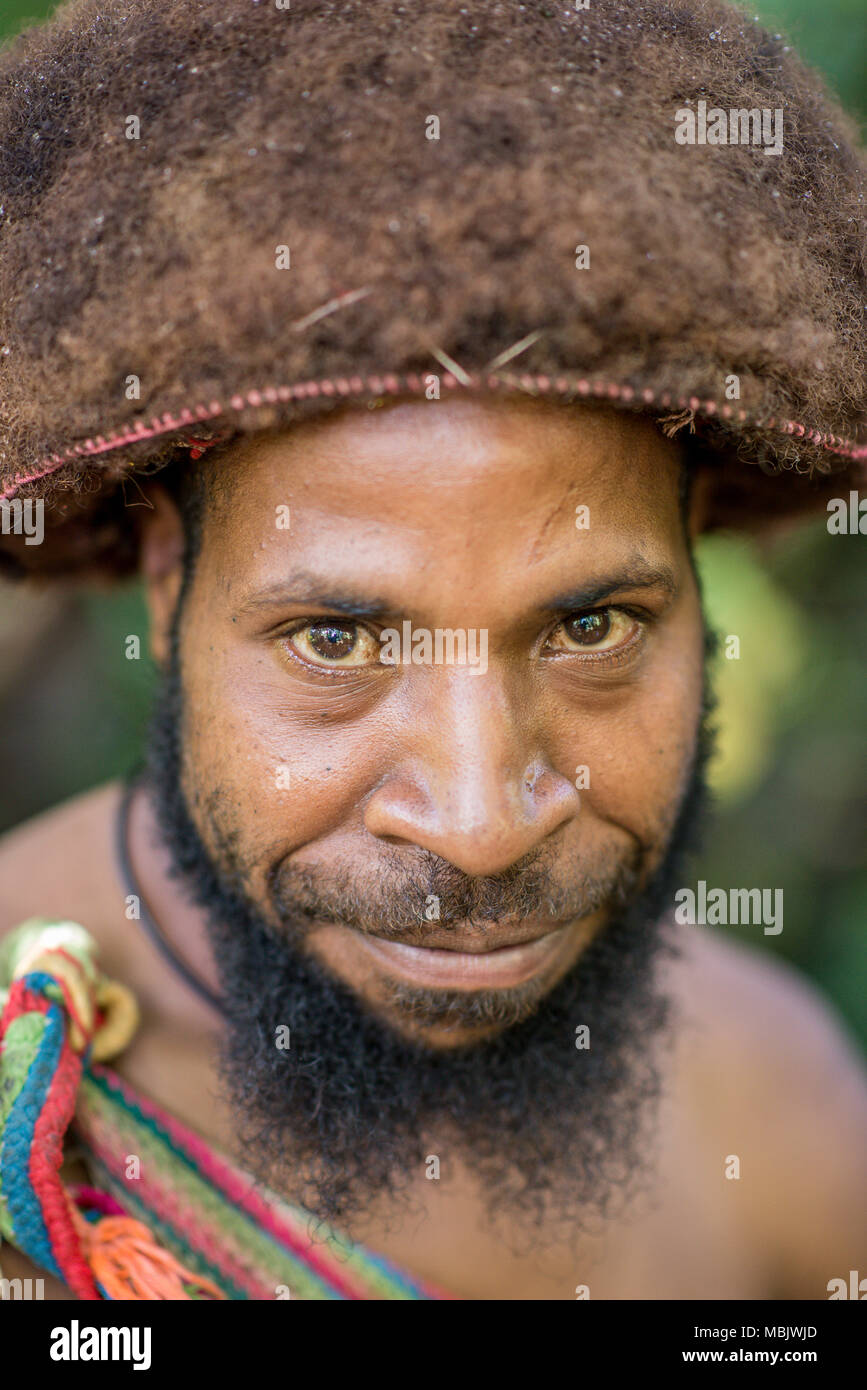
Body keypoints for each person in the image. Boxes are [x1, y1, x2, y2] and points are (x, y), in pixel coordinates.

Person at [0, 0, 865, 1301]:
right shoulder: (30, 1091)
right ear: (171, 588)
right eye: (336, 637)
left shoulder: (776, 1105)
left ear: (697, 563)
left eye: (590, 627)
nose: (478, 824)